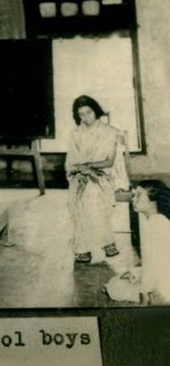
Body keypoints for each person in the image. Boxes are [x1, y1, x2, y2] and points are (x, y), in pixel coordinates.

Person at [65, 95, 121, 264]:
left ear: (96, 111)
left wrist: (88, 167)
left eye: (89, 112)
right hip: (80, 175)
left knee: (91, 194)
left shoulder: (109, 132)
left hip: (103, 174)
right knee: (80, 196)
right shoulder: (75, 134)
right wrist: (80, 172)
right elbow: (71, 162)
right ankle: (101, 244)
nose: (86, 117)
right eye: (81, 114)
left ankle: (89, 246)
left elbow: (109, 162)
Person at [105, 180, 170, 304]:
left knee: (115, 287)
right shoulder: (154, 219)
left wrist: (144, 294)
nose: (133, 199)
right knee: (120, 280)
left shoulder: (158, 224)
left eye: (138, 195)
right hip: (161, 272)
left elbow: (152, 266)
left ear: (153, 202)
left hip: (164, 282)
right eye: (134, 194)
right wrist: (135, 273)